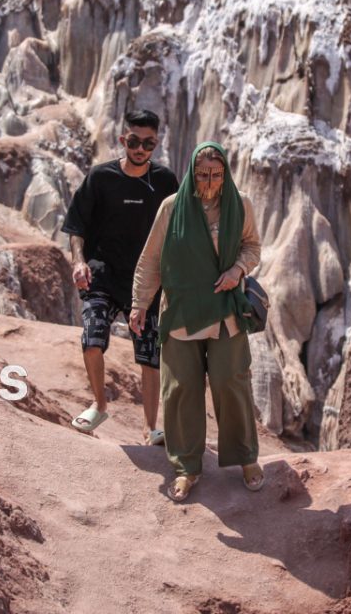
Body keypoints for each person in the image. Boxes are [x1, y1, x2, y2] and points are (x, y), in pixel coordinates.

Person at [129, 142, 263, 502]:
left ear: (225, 174)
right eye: (202, 174)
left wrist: (238, 270)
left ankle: (246, 457)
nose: (209, 181)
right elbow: (151, 258)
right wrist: (140, 304)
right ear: (192, 172)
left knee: (229, 382)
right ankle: (186, 466)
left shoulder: (240, 205)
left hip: (225, 312)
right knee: (181, 389)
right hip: (182, 312)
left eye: (216, 174)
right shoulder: (172, 208)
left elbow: (252, 247)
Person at [61, 110, 179, 443]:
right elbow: (76, 227)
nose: (140, 149)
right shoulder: (100, 177)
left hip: (146, 283)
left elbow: (183, 227)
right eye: (134, 141)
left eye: (148, 143)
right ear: (122, 139)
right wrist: (78, 261)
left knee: (150, 355)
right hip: (102, 274)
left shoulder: (167, 181)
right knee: (92, 338)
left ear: (156, 143)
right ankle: (99, 405)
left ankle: (150, 427)